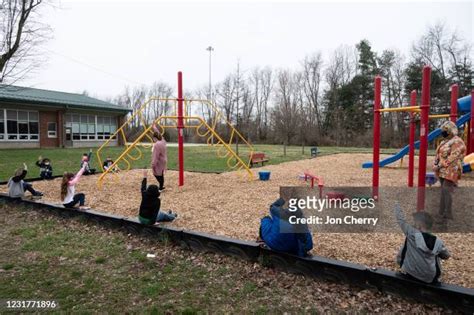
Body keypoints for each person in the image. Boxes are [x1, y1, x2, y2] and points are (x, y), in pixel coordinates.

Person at [394, 203, 450, 283]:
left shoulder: (411, 233)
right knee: (437, 256)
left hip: (410, 273)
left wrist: (397, 205)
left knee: (408, 242)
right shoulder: (438, 241)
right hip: (428, 278)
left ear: (419, 225)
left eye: (414, 223)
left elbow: (401, 220)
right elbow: (446, 256)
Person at [433, 121, 466, 219]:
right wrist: (436, 163)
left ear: (451, 131)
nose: (443, 132)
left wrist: (439, 166)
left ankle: (448, 214)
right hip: (442, 170)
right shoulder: (444, 141)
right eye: (443, 131)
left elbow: (453, 157)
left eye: (445, 131)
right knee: (443, 191)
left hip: (451, 169)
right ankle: (441, 212)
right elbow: (438, 153)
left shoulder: (457, 141)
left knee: (446, 190)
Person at [151, 124, 167, 191]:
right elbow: (159, 133)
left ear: (155, 138)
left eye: (153, 139)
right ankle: (161, 186)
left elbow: (155, 155)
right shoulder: (163, 141)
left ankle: (160, 187)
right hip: (163, 160)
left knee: (156, 174)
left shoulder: (157, 145)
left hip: (159, 161)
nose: (153, 140)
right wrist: (154, 127)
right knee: (161, 173)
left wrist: (153, 164)